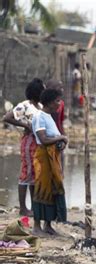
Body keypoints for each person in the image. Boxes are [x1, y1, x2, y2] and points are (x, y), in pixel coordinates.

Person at [2, 78, 45, 216]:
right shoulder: (25, 105)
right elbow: (7, 118)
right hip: (29, 141)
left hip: (38, 141)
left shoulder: (40, 107)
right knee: (26, 172)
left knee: (34, 173)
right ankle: (23, 208)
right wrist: (25, 125)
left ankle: (32, 206)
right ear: (36, 92)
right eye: (42, 90)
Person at [31, 88, 68, 235]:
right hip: (43, 158)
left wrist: (61, 142)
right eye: (57, 101)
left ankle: (48, 224)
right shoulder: (39, 116)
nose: (59, 104)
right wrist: (61, 138)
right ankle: (36, 226)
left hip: (53, 158)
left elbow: (54, 137)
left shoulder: (49, 116)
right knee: (42, 189)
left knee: (53, 189)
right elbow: (44, 139)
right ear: (49, 102)